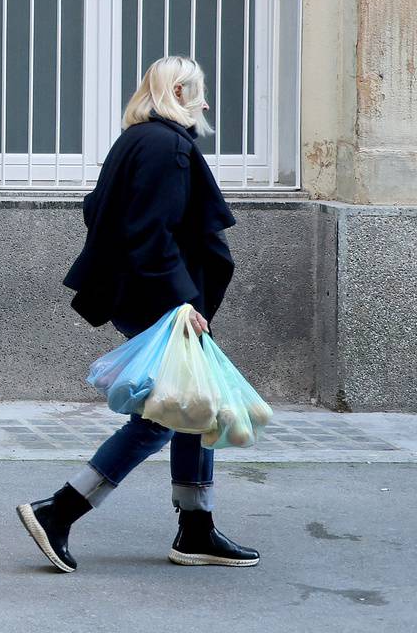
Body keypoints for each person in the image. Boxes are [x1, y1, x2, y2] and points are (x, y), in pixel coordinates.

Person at [16, 56, 260, 573]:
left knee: (195, 407)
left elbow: (99, 207)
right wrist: (181, 302)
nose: (206, 102)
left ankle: (196, 528)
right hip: (162, 302)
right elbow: (150, 233)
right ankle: (60, 510)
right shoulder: (166, 146)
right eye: (197, 91)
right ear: (176, 90)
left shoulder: (138, 139)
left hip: (150, 296)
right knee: (160, 418)